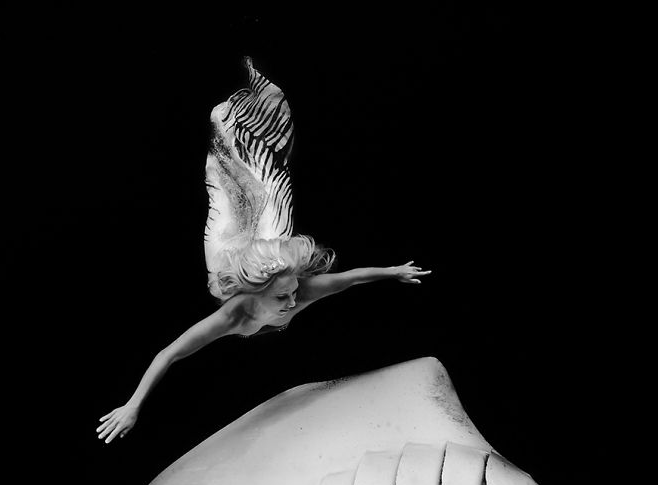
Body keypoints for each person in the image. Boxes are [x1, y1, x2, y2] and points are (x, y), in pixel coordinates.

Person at [98, 58, 430, 443]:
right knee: (239, 199)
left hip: (255, 259)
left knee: (259, 199)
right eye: (283, 295)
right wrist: (133, 404)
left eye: (293, 291)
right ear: (258, 293)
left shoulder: (301, 289)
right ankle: (226, 131)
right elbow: (169, 355)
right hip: (230, 258)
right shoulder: (234, 316)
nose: (293, 300)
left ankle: (238, 138)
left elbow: (350, 280)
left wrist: (394, 272)